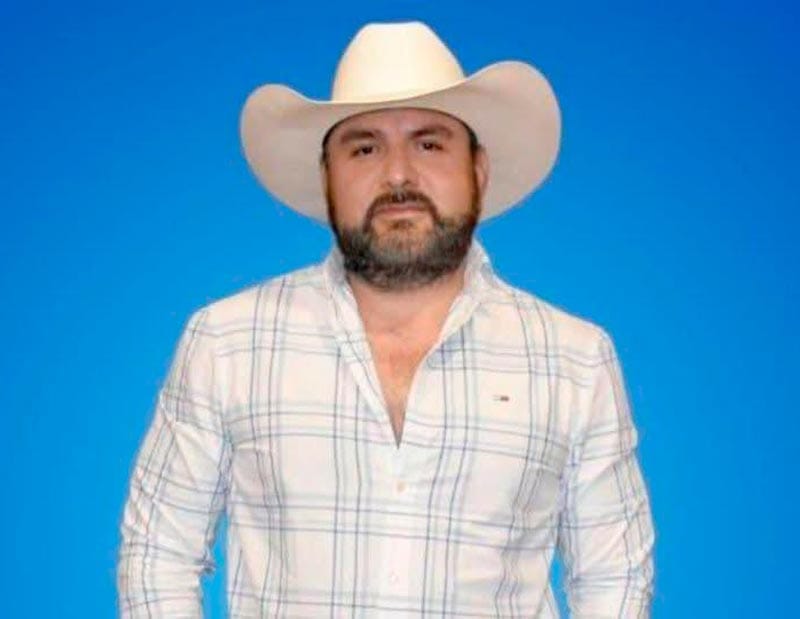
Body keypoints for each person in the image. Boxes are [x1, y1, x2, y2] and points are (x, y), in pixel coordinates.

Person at [117, 21, 655, 617]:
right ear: (327, 176)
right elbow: (158, 556)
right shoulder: (227, 343)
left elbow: (614, 579)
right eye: (365, 148)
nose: (398, 175)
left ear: (478, 170)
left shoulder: (573, 359)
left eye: (429, 144)